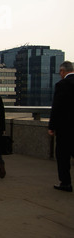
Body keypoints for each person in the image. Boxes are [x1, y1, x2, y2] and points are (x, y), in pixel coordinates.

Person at [48, 61, 74, 192]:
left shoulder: (62, 85)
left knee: (63, 156)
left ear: (63, 71)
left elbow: (57, 107)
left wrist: (51, 126)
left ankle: (66, 183)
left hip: (66, 127)